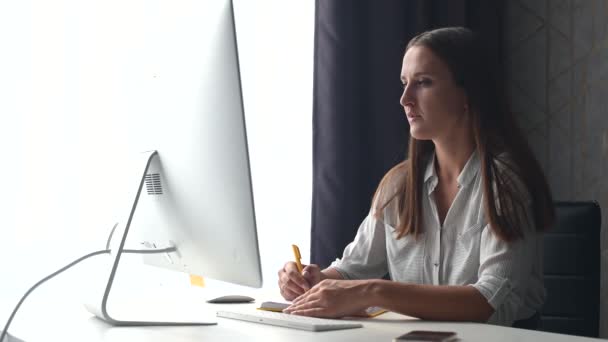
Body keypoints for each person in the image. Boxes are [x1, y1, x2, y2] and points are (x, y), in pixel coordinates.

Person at [278, 27, 554, 327]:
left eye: (423, 83)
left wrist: (373, 291)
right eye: (404, 83)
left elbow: (488, 302)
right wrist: (310, 280)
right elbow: (351, 270)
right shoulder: (399, 186)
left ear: (468, 94)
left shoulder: (504, 183)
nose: (405, 99)